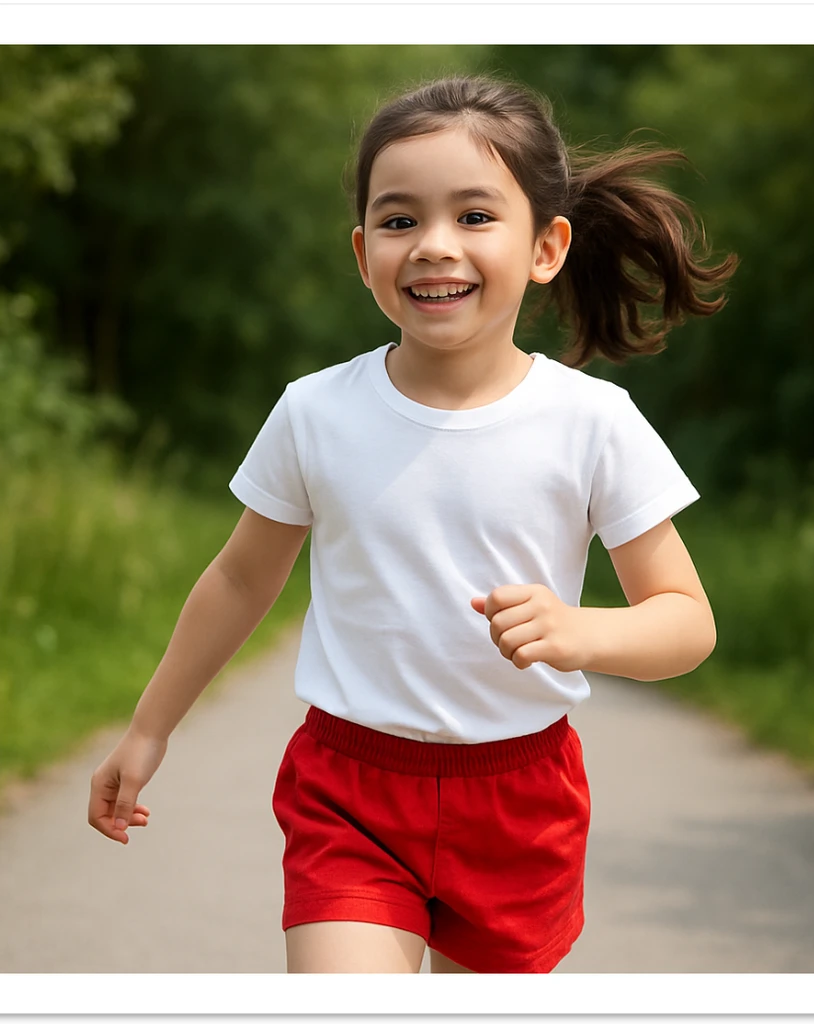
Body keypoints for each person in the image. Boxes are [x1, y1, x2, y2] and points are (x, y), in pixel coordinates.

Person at [88, 74, 737, 974]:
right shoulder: (315, 414)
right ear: (363, 254)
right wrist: (150, 727)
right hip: (348, 793)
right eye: (400, 221)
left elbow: (686, 621)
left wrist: (580, 629)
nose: (434, 246)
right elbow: (241, 578)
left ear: (547, 246)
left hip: (520, 801)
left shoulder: (595, 422)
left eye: (475, 216)